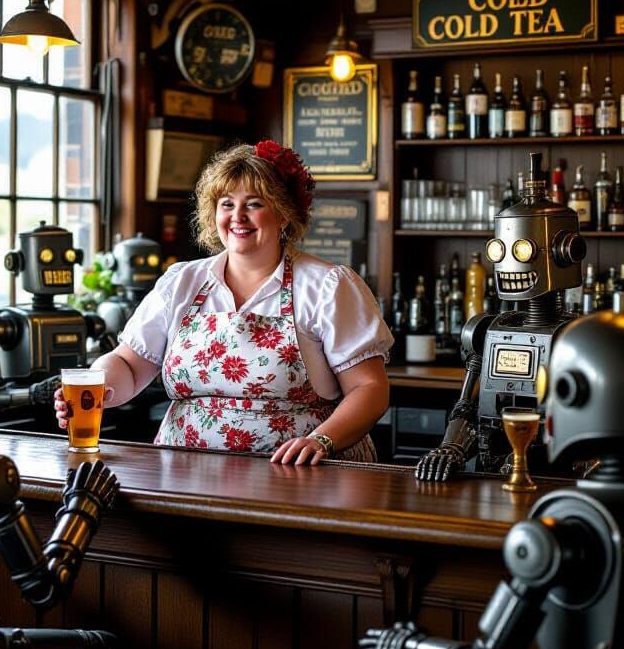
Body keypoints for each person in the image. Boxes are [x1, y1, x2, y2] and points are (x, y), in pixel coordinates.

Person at [55, 140, 392, 464]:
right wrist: (98, 387)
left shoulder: (327, 286)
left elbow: (369, 388)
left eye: (254, 204)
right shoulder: (182, 282)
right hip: (183, 475)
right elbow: (128, 365)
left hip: (299, 476)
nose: (237, 216)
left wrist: (321, 439)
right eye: (227, 204)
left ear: (285, 214)